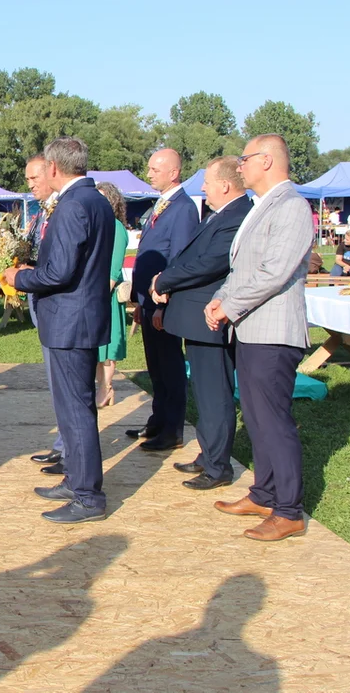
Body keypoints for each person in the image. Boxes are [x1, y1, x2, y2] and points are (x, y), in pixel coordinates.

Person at [4, 137, 114, 524]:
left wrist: (20, 277)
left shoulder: (73, 205)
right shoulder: (96, 199)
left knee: (75, 411)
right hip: (78, 317)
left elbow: (58, 272)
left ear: (53, 168)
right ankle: (77, 481)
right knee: (75, 409)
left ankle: (87, 497)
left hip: (70, 321)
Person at [208, 134, 313, 542]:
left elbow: (274, 272)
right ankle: (265, 493)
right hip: (252, 327)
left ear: (266, 161)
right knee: (255, 417)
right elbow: (243, 269)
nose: (240, 166)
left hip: (274, 330)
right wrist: (220, 300)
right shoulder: (264, 206)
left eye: (245, 158)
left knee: (273, 421)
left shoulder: (290, 206)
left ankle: (288, 510)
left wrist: (229, 306)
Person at [151, 156, 252, 491]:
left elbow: (209, 263)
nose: (204, 188)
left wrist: (164, 281)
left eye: (207, 182)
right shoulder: (220, 215)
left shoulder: (237, 216)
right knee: (204, 393)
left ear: (224, 184)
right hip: (195, 316)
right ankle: (209, 453)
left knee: (214, 394)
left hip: (210, 318)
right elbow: (188, 257)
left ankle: (217, 465)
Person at [128, 149, 198, 452]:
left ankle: (173, 429)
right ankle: (158, 419)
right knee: (155, 365)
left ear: (174, 172)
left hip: (163, 301)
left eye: (156, 169)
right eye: (149, 168)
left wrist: (162, 303)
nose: (149, 173)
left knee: (170, 366)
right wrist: (141, 302)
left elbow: (178, 257)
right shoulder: (162, 204)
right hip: (148, 300)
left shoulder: (183, 208)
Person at [23, 154, 65, 470]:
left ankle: (68, 449)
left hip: (58, 303)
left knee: (64, 380)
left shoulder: (63, 208)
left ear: (50, 173)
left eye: (34, 178)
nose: (30, 185)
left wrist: (26, 272)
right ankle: (64, 444)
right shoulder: (42, 211)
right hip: (41, 298)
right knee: (55, 378)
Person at [94, 181, 129, 410]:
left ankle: (106, 388)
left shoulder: (116, 227)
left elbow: (114, 269)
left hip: (105, 295)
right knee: (97, 349)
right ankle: (102, 387)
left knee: (107, 349)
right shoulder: (99, 226)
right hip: (95, 293)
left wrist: (98, 297)